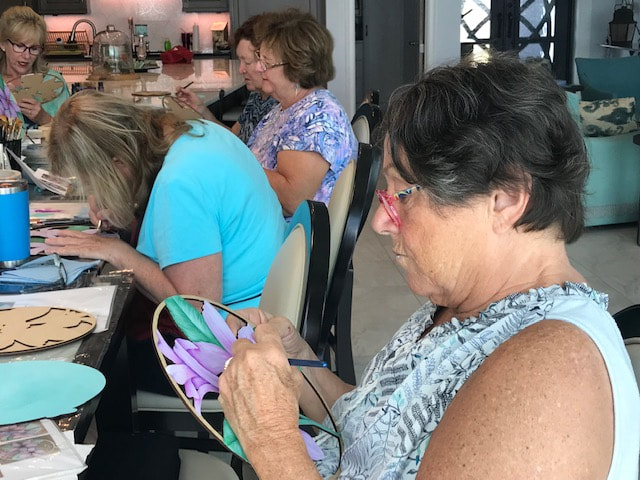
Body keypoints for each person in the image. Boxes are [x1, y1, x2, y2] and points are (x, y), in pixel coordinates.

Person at [217, 54, 640, 479]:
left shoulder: (551, 376)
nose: (380, 223)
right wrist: (295, 362)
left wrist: (272, 438)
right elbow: (373, 434)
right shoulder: (463, 302)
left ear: (506, 199)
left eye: (403, 194)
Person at [45, 91, 286, 391]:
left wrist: (116, 251)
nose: (92, 191)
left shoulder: (179, 182)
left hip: (237, 341)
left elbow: (196, 312)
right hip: (266, 303)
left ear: (118, 163)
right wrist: (118, 200)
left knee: (102, 369)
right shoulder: (197, 132)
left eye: (92, 181)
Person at [247, 9, 357, 216]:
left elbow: (293, 201)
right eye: (260, 58)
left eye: (267, 63)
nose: (259, 68)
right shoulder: (287, 106)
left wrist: (238, 163)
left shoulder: (317, 117)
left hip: (289, 232)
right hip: (261, 215)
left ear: (297, 68)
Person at [176, 13, 279, 144]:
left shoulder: (278, 105)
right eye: (240, 61)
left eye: (247, 62)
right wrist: (201, 109)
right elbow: (234, 137)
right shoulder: (257, 96)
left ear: (266, 61)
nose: (241, 70)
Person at [0, 6, 70, 131]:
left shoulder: (54, 82)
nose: (26, 56)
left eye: (34, 48)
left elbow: (71, 135)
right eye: (19, 46)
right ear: (2, 43)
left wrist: (44, 118)